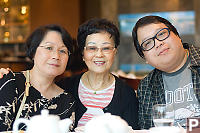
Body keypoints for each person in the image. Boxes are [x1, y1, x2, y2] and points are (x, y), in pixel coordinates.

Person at [57, 18, 139, 130]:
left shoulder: (126, 94)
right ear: (82, 53)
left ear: (114, 52)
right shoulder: (64, 87)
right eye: (92, 48)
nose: (99, 54)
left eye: (106, 48)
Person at [0, 24, 75, 131]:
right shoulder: (10, 83)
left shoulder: (67, 100)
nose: (56, 56)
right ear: (33, 51)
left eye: (62, 51)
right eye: (49, 48)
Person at [132, 15, 200, 129]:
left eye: (161, 34)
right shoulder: (146, 86)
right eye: (147, 43)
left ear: (177, 36)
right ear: (145, 58)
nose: (158, 43)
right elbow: (147, 129)